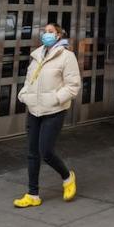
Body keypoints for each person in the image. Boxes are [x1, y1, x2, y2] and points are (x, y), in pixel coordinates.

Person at [13, 23, 81, 208]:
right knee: (32, 153)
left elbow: (73, 85)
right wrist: (24, 95)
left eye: (50, 31)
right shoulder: (37, 56)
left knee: (46, 151)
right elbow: (29, 80)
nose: (46, 34)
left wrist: (56, 99)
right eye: (44, 31)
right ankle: (32, 194)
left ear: (59, 35)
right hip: (34, 110)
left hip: (54, 111)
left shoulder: (67, 57)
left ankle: (67, 177)